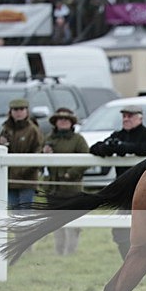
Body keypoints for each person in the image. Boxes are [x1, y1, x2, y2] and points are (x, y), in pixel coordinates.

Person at [89, 105, 146, 259]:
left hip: (145, 190)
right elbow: (95, 148)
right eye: (124, 116)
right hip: (125, 193)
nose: (126, 119)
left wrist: (126, 148)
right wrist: (109, 148)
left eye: (130, 116)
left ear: (140, 118)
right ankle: (129, 261)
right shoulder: (118, 135)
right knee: (120, 231)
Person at [43, 107, 89, 255]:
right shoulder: (48, 139)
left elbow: (86, 160)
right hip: (53, 188)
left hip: (72, 188)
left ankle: (71, 252)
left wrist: (70, 174)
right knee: (56, 223)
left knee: (72, 222)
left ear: (71, 122)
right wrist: (43, 153)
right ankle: (59, 252)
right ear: (55, 122)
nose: (63, 122)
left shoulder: (78, 140)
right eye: (60, 119)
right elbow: (37, 159)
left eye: (66, 119)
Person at [0, 98, 44, 209]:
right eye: (15, 110)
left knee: (25, 211)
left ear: (27, 111)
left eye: (21, 109)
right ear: (10, 112)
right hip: (9, 178)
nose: (18, 112)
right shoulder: (6, 129)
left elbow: (38, 152)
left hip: (27, 179)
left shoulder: (33, 130)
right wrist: (1, 144)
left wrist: (26, 170)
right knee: (13, 211)